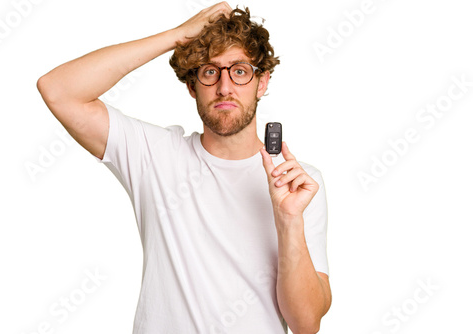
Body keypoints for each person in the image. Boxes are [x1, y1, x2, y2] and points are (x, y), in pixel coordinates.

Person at [37, 2, 331, 333]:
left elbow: (306, 323)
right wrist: (176, 36)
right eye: (209, 71)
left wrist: (289, 220)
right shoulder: (154, 155)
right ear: (192, 87)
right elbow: (58, 90)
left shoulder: (298, 185)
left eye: (239, 70)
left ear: (261, 83)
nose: (224, 87)